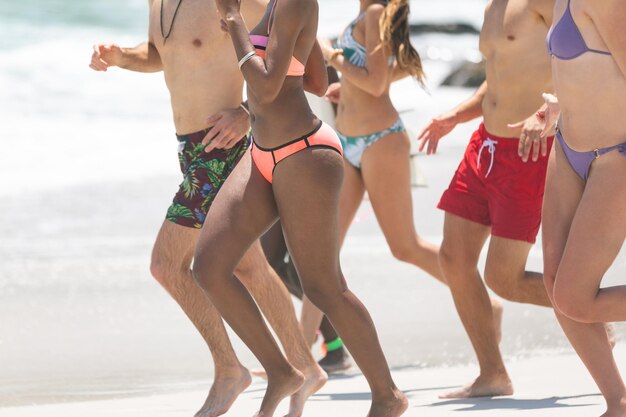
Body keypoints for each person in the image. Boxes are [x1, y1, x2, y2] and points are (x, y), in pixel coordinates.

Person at [88, 1, 326, 416]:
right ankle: (305, 366)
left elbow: (297, 48)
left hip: (224, 147)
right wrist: (123, 57)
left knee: (167, 265)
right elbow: (162, 54)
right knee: (247, 267)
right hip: (190, 146)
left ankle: (230, 369)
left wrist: (248, 113)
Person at [192, 0, 408, 415]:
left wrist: (235, 22)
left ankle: (388, 395)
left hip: (304, 154)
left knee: (325, 287)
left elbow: (269, 84)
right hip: (262, 149)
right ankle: (281, 371)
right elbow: (315, 79)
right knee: (210, 266)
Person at [305, 0, 505, 355]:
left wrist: (332, 55)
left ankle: (485, 304)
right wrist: (345, 90)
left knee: (405, 247)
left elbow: (376, 82)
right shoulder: (366, 13)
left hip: (380, 141)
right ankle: (299, 355)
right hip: (348, 139)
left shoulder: (374, 13)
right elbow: (394, 70)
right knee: (322, 253)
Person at [417, 0, 558, 398]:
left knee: (504, 279)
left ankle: (588, 311)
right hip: (484, 147)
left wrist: (549, 111)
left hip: (527, 154)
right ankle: (492, 373)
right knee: (453, 259)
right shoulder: (492, 7)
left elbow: (579, 59)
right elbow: (497, 80)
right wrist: (453, 117)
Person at [539, 0, 626, 415]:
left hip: (616, 155)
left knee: (575, 297)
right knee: (555, 283)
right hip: (566, 147)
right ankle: (618, 401)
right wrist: (555, 103)